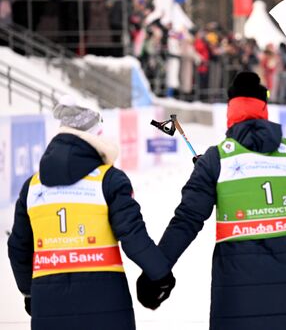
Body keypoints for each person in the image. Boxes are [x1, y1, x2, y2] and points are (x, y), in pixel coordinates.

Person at [136, 71, 286, 330]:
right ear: (264, 110)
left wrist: (156, 270)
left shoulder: (216, 161)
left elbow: (186, 222)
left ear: (230, 111)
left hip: (236, 293)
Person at [8, 96, 175, 330]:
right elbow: (132, 235)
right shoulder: (110, 180)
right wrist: (159, 275)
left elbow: (18, 248)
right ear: (96, 135)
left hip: (49, 303)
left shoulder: (32, 187)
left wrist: (29, 292)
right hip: (106, 302)